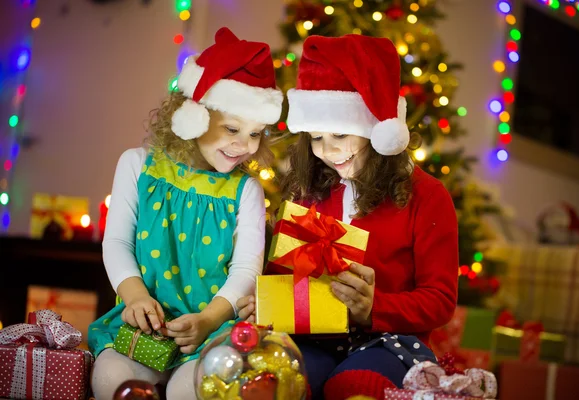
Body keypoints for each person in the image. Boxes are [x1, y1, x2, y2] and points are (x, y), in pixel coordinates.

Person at [237, 33, 458, 400]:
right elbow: (284, 276)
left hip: (388, 342)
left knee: (355, 387)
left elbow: (439, 299)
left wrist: (375, 306)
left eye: (341, 133)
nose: (329, 151)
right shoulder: (310, 191)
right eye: (317, 138)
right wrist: (265, 301)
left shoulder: (427, 197)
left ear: (376, 129)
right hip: (313, 337)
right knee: (278, 379)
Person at [88, 27, 283, 400]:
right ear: (193, 114)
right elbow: (116, 242)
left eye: (256, 133)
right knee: (112, 379)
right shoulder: (137, 166)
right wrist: (135, 298)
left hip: (212, 332)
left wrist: (208, 320)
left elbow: (246, 270)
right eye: (232, 128)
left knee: (188, 391)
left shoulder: (247, 191)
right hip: (146, 326)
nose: (244, 145)